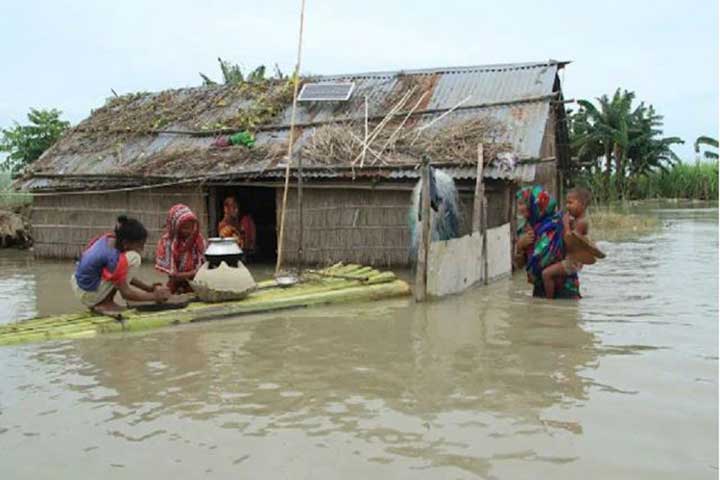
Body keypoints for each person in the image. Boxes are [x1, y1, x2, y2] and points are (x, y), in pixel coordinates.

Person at [71, 216, 171, 314]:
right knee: (135, 258)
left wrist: (147, 288)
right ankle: (105, 303)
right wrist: (154, 296)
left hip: (80, 286)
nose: (142, 249)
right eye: (140, 245)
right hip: (88, 294)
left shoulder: (110, 239)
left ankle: (102, 300)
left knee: (125, 263)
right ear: (126, 243)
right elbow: (126, 293)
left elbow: (121, 276)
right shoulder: (113, 258)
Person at [515, 186, 580, 299]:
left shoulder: (561, 224)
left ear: (537, 204)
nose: (520, 208)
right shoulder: (525, 229)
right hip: (540, 289)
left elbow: (578, 258)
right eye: (518, 204)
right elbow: (519, 266)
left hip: (565, 290)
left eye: (523, 203)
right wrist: (520, 246)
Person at [541, 187, 591, 299]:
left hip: (573, 261)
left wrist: (566, 224)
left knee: (546, 274)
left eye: (570, 202)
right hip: (572, 259)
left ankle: (548, 302)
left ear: (582, 204)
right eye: (566, 202)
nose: (567, 206)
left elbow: (570, 239)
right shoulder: (577, 220)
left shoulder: (582, 222)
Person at [155, 204, 207, 294]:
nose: (189, 231)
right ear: (176, 227)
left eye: (191, 227)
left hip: (197, 281)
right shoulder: (167, 243)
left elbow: (205, 265)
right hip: (175, 283)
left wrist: (197, 273)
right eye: (185, 228)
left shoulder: (198, 240)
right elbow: (173, 276)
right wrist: (193, 273)